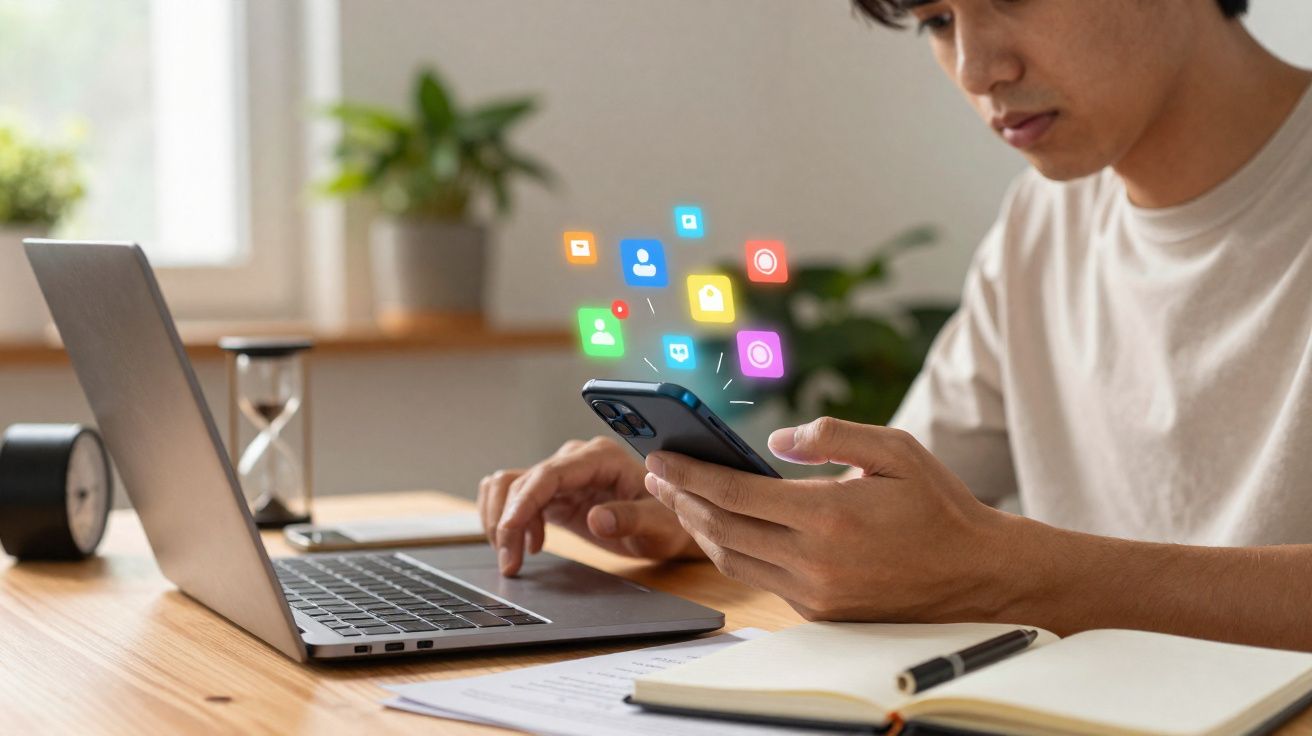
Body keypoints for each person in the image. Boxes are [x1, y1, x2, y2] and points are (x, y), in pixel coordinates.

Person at [480, 0, 1312, 651]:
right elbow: (891, 522)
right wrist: (701, 511)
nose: (980, 67)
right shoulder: (1044, 220)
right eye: (938, 21)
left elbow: (987, 565)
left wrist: (1024, 576)